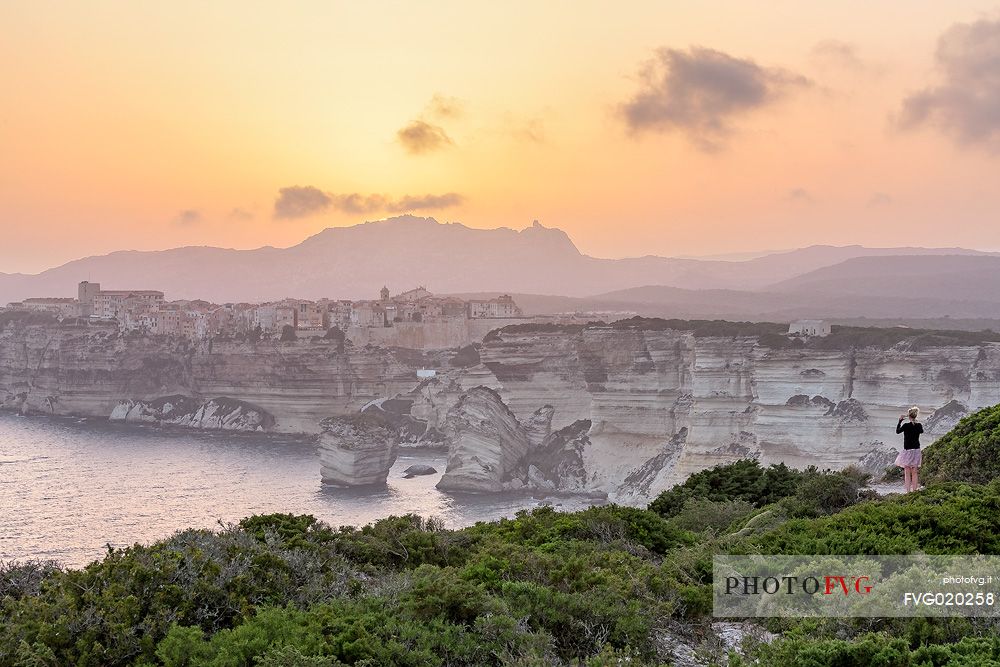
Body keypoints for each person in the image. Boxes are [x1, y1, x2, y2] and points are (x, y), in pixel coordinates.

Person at [894, 407, 924, 492]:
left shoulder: (906, 425)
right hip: (916, 450)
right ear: (916, 415)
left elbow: (897, 431)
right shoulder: (919, 425)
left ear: (909, 416)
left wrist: (900, 421)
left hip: (907, 450)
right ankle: (915, 490)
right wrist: (915, 422)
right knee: (914, 472)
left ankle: (908, 491)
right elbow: (921, 431)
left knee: (907, 472)